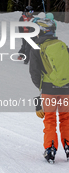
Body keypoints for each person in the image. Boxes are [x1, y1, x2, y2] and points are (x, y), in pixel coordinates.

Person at [29, 18, 69, 163]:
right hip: (66, 89)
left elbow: (34, 72)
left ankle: (50, 149)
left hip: (48, 89)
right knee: (66, 119)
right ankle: (68, 146)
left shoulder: (36, 48)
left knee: (50, 119)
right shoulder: (63, 45)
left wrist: (41, 87)